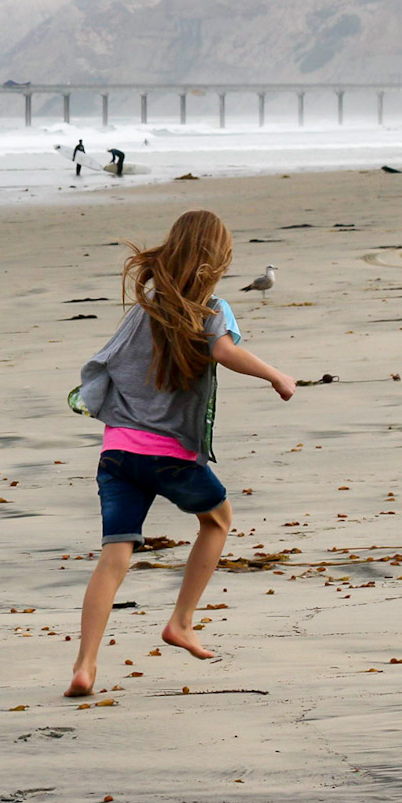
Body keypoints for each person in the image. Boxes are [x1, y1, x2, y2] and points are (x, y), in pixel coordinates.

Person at [64, 209, 295, 698]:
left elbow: (106, 365)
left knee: (115, 554)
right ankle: (181, 623)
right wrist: (276, 375)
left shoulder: (144, 309)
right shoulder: (212, 310)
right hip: (168, 455)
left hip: (118, 453)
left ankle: (85, 665)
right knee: (217, 520)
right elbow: (225, 352)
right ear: (218, 258)